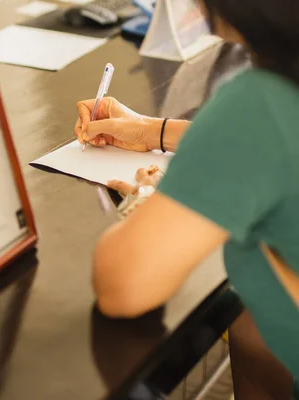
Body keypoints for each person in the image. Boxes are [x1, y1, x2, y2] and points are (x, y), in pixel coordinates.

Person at [74, 1, 299, 399]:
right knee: (248, 330)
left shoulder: (258, 103)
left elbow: (123, 287)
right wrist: (150, 130)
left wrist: (146, 197)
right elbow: (266, 141)